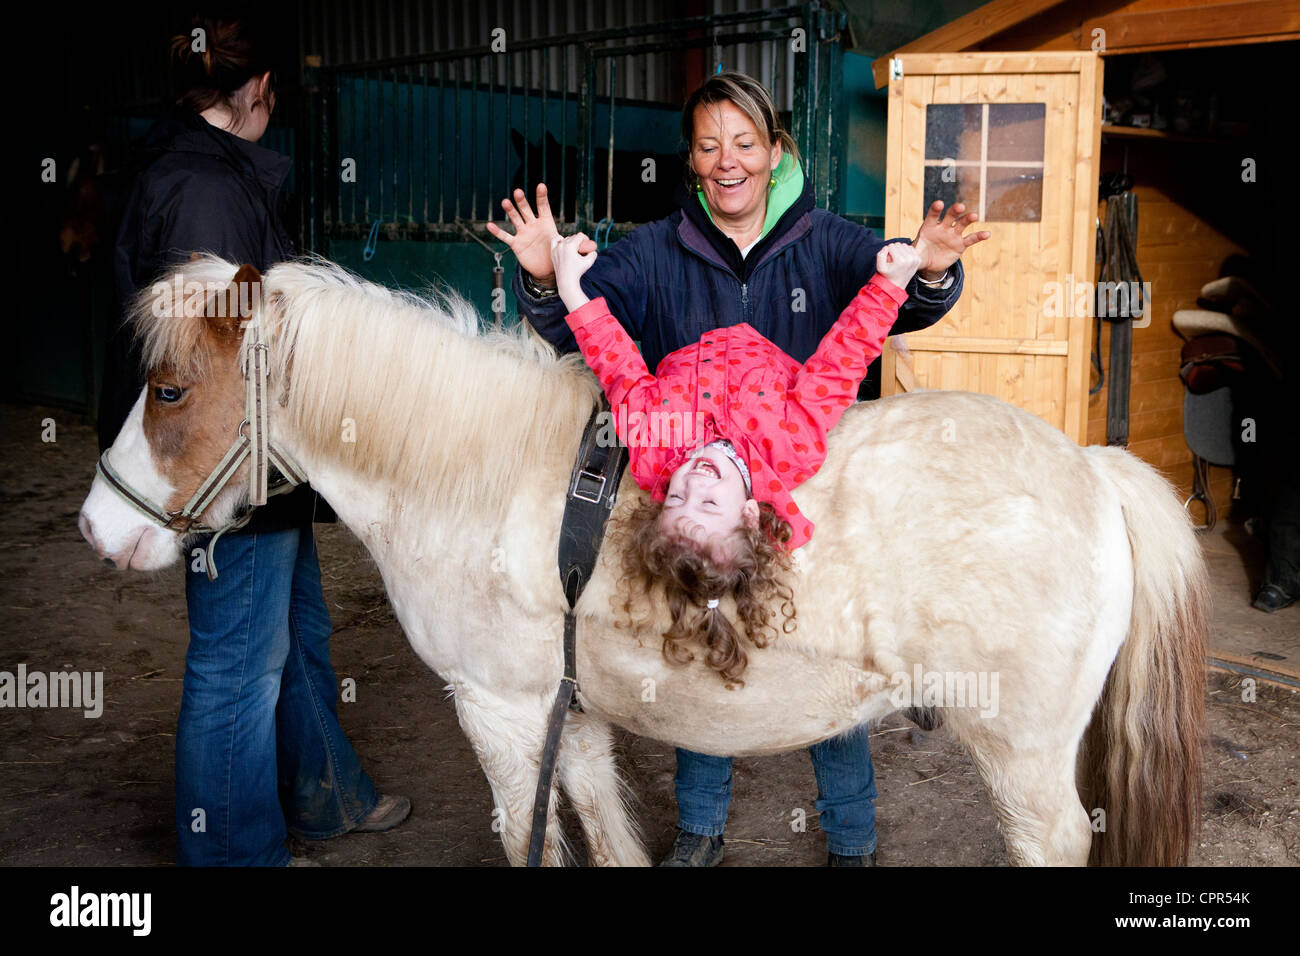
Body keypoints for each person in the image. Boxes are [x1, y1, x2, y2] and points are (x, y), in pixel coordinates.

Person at [488, 71, 989, 866]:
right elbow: (585, 334)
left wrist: (920, 269)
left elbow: (887, 315)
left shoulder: (825, 238)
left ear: (774, 150)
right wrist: (549, 276)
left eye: (744, 142)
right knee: (701, 659)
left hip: (815, 519)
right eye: (710, 145)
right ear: (691, 161)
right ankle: (700, 827)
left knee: (832, 672)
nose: (728, 160)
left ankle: (851, 836)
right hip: (732, 520)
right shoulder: (655, 250)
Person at [100, 11, 407, 866]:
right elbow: (228, 357)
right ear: (259, 90)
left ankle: (327, 794)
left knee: (294, 629)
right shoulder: (210, 193)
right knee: (237, 663)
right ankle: (234, 853)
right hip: (223, 466)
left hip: (259, 463)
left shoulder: (196, 171)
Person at [550, 231, 919, 683]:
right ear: (748, 515)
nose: (692, 484)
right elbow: (840, 363)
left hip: (687, 323)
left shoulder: (651, 444)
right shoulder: (790, 446)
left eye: (675, 499)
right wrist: (889, 286)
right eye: (708, 504)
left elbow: (617, 363)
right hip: (774, 329)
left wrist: (570, 288)